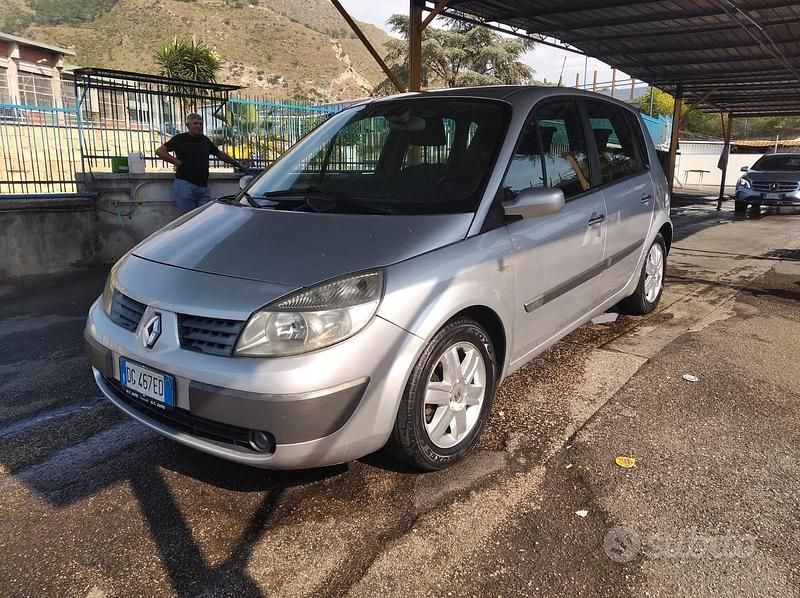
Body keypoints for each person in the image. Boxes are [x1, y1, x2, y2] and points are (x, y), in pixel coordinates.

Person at [156, 113, 247, 214]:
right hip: (185, 185)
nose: (198, 126)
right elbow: (160, 151)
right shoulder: (180, 139)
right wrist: (176, 162)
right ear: (187, 125)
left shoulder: (204, 140)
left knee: (204, 217)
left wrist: (238, 165)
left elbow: (220, 154)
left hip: (203, 187)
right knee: (188, 219)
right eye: (195, 123)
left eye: (200, 124)